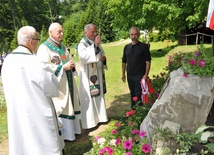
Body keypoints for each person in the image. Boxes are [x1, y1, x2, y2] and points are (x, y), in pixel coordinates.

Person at [2, 26, 64, 154]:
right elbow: (51, 88)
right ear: (31, 41)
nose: (38, 42)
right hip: (37, 113)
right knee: (42, 142)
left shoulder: (7, 61)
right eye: (37, 39)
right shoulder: (35, 62)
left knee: (24, 142)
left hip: (17, 113)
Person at [37, 22, 81, 141]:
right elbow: (43, 68)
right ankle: (65, 134)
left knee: (71, 103)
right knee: (62, 106)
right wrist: (62, 67)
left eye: (62, 31)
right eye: (59, 32)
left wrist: (71, 65)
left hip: (68, 81)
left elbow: (68, 59)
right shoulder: (44, 48)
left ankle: (73, 131)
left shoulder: (61, 46)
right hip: (58, 85)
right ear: (50, 33)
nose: (62, 34)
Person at [77, 23, 108, 129]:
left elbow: (101, 55)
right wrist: (95, 45)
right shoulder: (82, 44)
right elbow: (83, 57)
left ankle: (101, 117)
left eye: (95, 31)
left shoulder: (96, 43)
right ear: (85, 32)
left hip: (97, 73)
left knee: (99, 96)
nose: (95, 34)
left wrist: (103, 59)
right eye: (92, 32)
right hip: (88, 76)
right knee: (90, 99)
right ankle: (91, 122)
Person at [122, 27, 151, 108]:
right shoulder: (126, 47)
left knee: (138, 94)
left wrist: (146, 74)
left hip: (140, 75)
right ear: (129, 35)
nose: (133, 36)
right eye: (132, 34)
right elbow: (124, 61)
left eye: (135, 34)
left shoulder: (144, 47)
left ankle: (139, 111)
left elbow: (148, 61)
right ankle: (133, 109)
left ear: (138, 35)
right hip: (130, 75)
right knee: (132, 93)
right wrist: (123, 74)